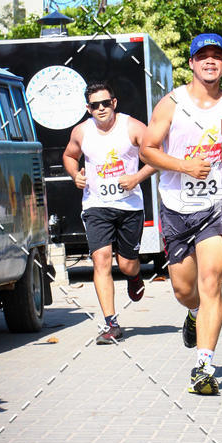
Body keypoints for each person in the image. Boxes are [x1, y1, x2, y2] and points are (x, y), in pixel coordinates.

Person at [140, 33, 222, 396]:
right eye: (203, 56)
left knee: (211, 283)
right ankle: (192, 314)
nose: (210, 61)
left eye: (217, 56)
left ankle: (204, 367)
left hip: (218, 205)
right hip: (176, 205)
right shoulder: (172, 104)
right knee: (184, 289)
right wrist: (183, 166)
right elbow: (147, 150)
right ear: (191, 63)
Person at [62, 81, 156, 344]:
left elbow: (157, 157)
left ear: (114, 103)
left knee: (126, 264)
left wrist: (137, 177)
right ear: (88, 108)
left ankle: (134, 275)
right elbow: (69, 156)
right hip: (96, 206)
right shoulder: (81, 132)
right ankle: (111, 324)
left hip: (129, 206)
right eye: (95, 105)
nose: (101, 108)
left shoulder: (134, 128)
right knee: (101, 259)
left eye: (106, 103)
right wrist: (75, 175)